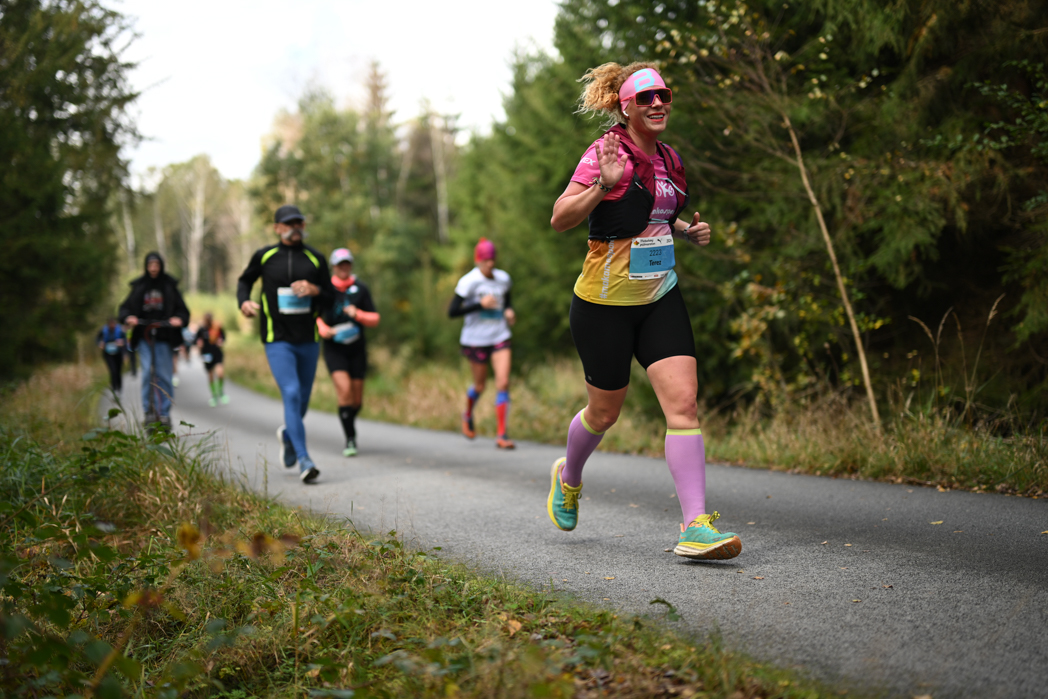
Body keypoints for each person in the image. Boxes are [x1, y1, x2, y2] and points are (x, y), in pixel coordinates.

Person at [546, 62, 742, 561]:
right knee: (604, 413)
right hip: (603, 306)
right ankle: (569, 477)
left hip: (659, 298)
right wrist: (601, 185)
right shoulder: (605, 153)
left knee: (684, 404)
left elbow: (654, 212)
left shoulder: (670, 159)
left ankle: (695, 525)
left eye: (664, 95)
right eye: (646, 98)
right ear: (626, 107)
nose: (658, 104)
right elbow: (560, 218)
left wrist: (685, 230)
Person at [237, 204, 333, 484]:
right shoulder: (265, 256)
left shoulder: (315, 258)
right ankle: (305, 459)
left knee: (302, 399)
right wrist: (244, 301)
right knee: (290, 393)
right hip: (277, 338)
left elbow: (331, 297)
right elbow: (245, 281)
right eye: (289, 224)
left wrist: (315, 290)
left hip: (308, 339)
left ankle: (289, 435)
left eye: (299, 223)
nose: (295, 228)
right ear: (277, 228)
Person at [448, 238, 516, 450]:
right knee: (480, 386)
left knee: (503, 382)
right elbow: (452, 312)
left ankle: (502, 435)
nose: (490, 264)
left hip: (500, 335)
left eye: (492, 259)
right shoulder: (469, 282)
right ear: (478, 261)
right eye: (486, 260)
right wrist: (479, 304)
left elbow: (507, 300)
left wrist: (509, 311)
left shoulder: (503, 278)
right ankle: (467, 414)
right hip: (475, 339)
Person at [316, 248, 380, 457]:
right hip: (334, 349)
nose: (344, 267)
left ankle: (347, 419)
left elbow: (375, 318)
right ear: (333, 267)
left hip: (357, 349)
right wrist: (322, 328)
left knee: (356, 401)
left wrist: (358, 314)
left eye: (347, 263)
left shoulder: (361, 288)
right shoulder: (325, 289)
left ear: (351, 265)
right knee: (344, 392)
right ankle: (350, 438)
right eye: (339, 264)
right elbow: (315, 315)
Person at [118, 252, 190, 429]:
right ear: (146, 266)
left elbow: (183, 311)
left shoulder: (169, 286)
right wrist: (128, 318)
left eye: (156, 265)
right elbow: (124, 309)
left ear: (161, 266)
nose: (153, 268)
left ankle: (164, 413)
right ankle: (149, 411)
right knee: (148, 373)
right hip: (144, 336)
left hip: (165, 337)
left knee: (164, 375)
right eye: (150, 265)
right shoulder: (139, 286)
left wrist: (179, 319)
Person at [195, 313, 228, 407]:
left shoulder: (217, 327)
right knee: (210, 375)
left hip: (217, 353)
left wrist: (221, 341)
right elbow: (196, 339)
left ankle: (221, 391)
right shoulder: (202, 329)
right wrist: (199, 343)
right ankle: (214, 396)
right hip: (206, 354)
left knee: (220, 373)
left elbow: (223, 337)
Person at [96, 317, 126, 394]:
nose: (112, 326)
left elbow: (126, 340)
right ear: (108, 324)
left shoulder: (120, 330)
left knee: (118, 371)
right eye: (110, 324)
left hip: (118, 353)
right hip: (108, 353)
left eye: (113, 324)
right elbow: (97, 339)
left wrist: (122, 342)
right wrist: (100, 343)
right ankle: (114, 388)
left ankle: (119, 388)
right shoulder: (103, 330)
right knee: (113, 370)